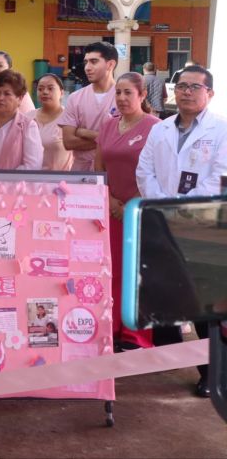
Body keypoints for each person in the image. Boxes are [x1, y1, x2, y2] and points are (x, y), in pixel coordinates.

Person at [137, 64, 227, 397]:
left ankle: (212, 375)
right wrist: (163, 205)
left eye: (194, 87)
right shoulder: (160, 128)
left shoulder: (222, 130)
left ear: (209, 93)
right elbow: (144, 170)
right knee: (167, 293)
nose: (186, 92)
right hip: (163, 223)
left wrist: (179, 207)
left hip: (203, 227)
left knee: (203, 304)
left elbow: (220, 177)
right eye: (181, 86)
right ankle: (172, 357)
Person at [94, 72, 160, 350]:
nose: (121, 98)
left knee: (137, 273)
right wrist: (109, 200)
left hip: (140, 211)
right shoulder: (108, 125)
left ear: (142, 95)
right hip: (109, 210)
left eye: (128, 93)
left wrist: (131, 204)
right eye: (118, 92)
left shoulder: (156, 127)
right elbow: (98, 167)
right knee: (109, 270)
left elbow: (158, 172)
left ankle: (136, 336)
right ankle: (110, 329)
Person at [58, 41, 119, 171]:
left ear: (110, 64)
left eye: (94, 61)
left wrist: (84, 132)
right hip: (80, 172)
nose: (87, 67)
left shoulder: (122, 97)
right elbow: (68, 142)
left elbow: (124, 140)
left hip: (112, 170)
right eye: (86, 62)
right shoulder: (75, 98)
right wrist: (106, 139)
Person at [30, 73, 74, 171]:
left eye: (50, 88)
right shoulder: (27, 118)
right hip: (31, 177)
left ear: (61, 93)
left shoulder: (70, 118)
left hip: (60, 178)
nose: (45, 92)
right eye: (40, 89)